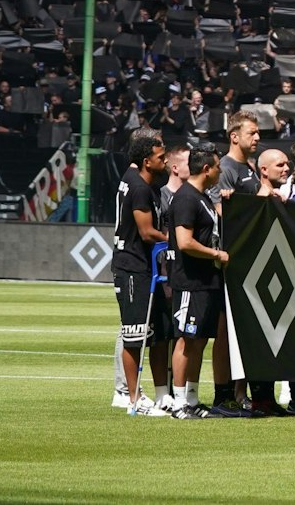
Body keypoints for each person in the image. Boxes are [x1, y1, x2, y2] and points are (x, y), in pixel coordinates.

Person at [168, 149, 232, 418]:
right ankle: (179, 402)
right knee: (186, 340)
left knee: (200, 341)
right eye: (217, 167)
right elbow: (185, 242)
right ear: (206, 169)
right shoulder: (186, 198)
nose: (220, 171)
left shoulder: (203, 197)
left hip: (207, 280)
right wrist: (216, 254)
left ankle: (192, 400)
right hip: (190, 281)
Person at [111, 132, 170, 416]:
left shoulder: (141, 180)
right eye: (161, 157)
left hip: (145, 267)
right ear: (147, 161)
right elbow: (147, 232)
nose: (165, 160)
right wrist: (174, 240)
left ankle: (161, 396)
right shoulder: (139, 187)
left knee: (157, 334)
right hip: (132, 267)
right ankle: (132, 398)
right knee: (134, 335)